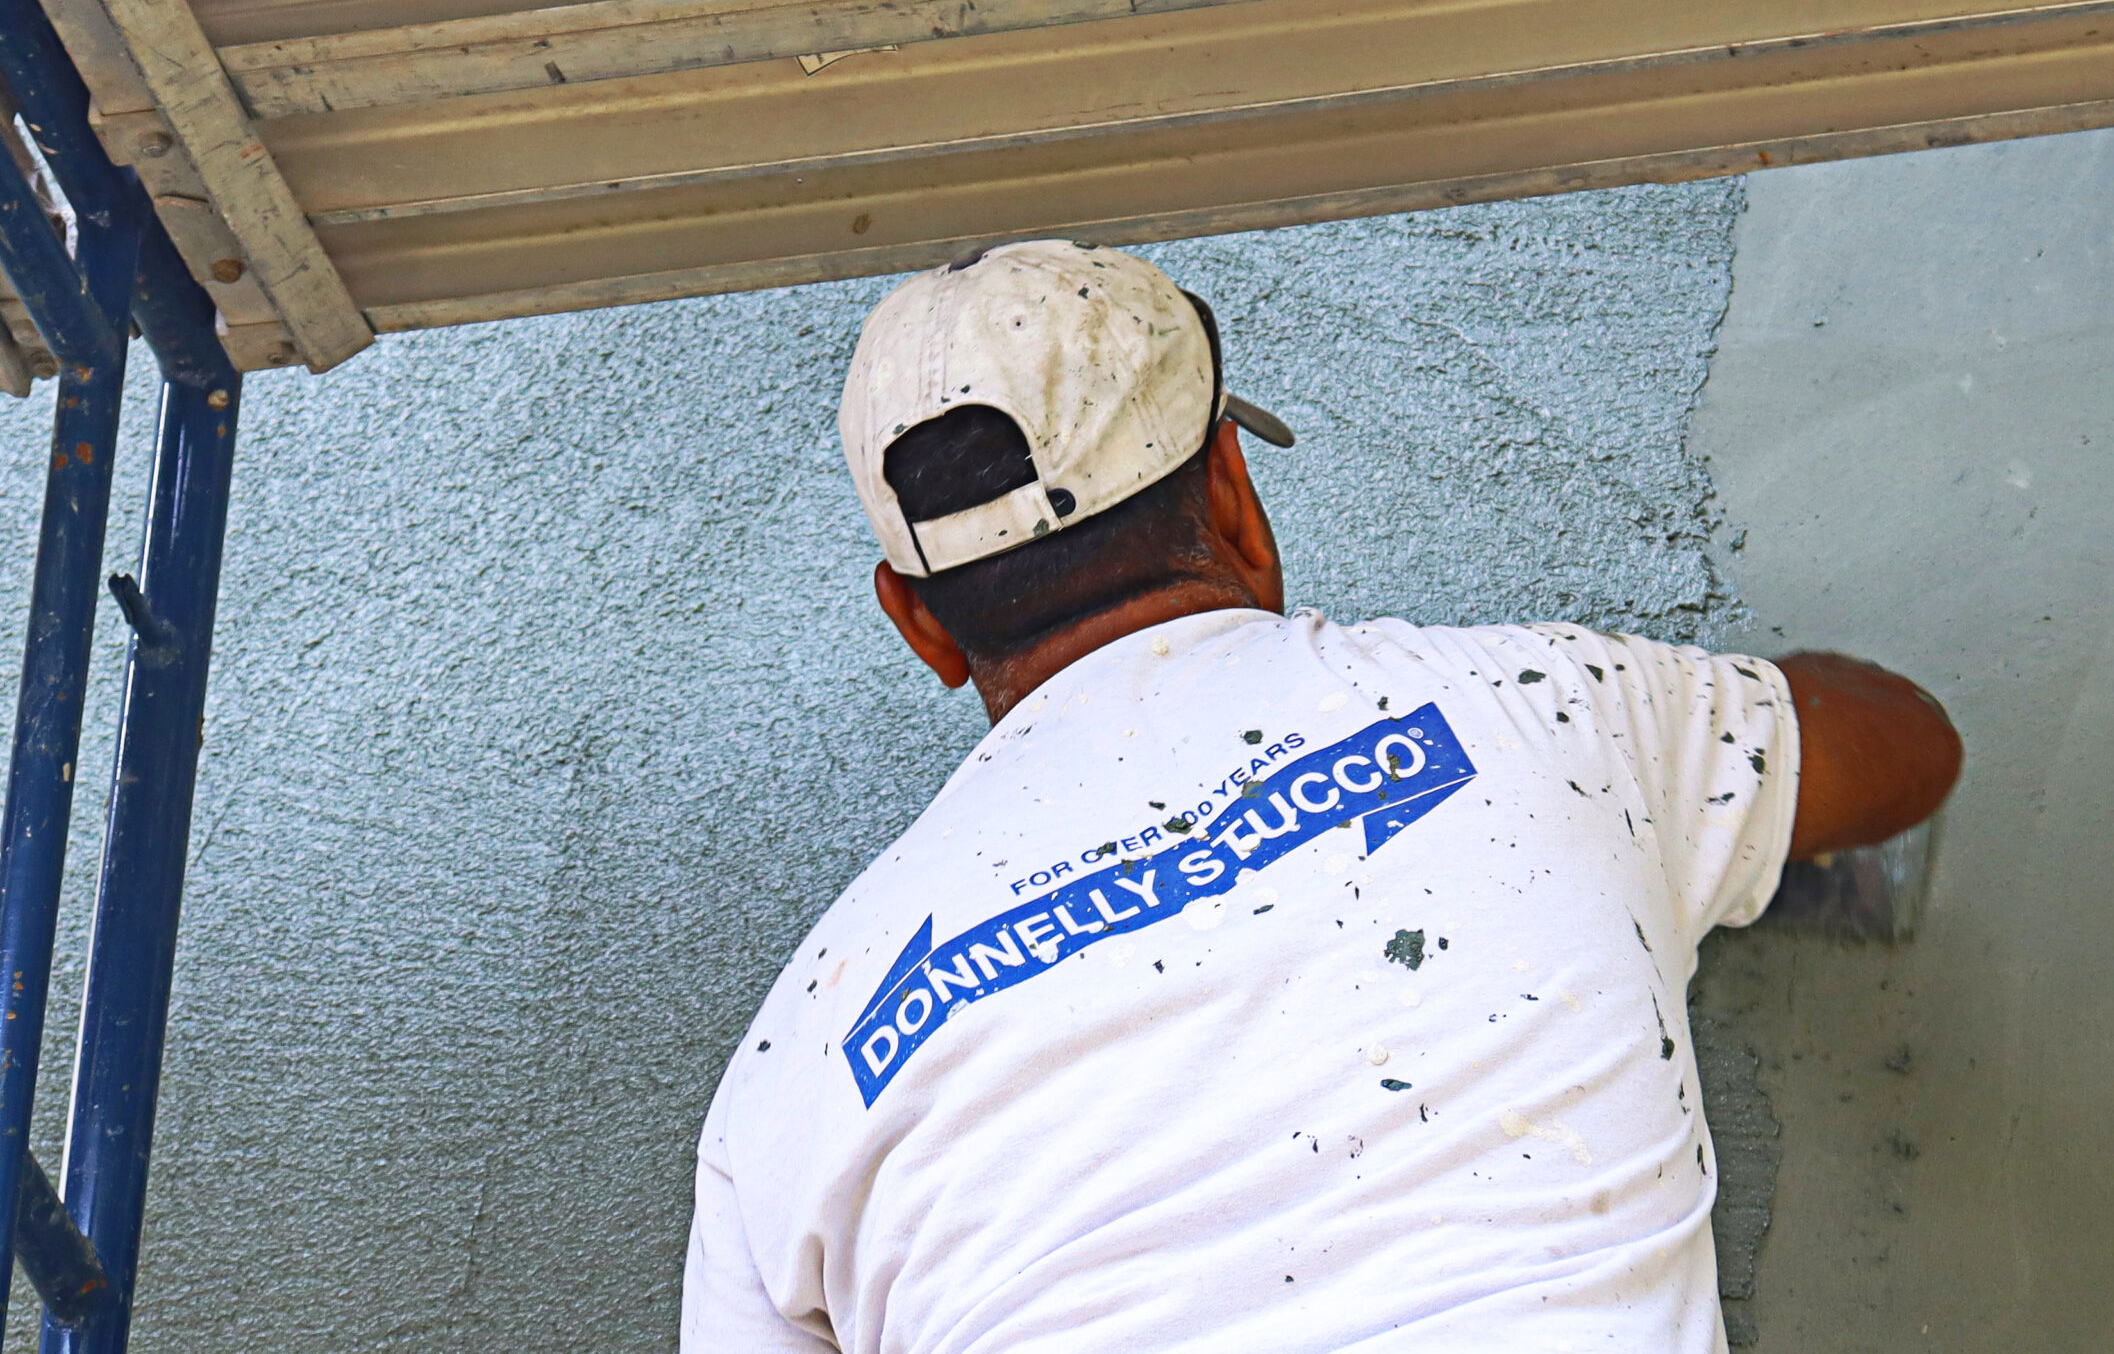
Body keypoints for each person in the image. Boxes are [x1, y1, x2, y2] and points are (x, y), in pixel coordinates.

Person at [682, 239, 1961, 1353]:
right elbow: (1904, 750)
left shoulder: (795, 1064)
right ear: (1232, 492)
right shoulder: (1540, 706)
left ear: (918, 623)